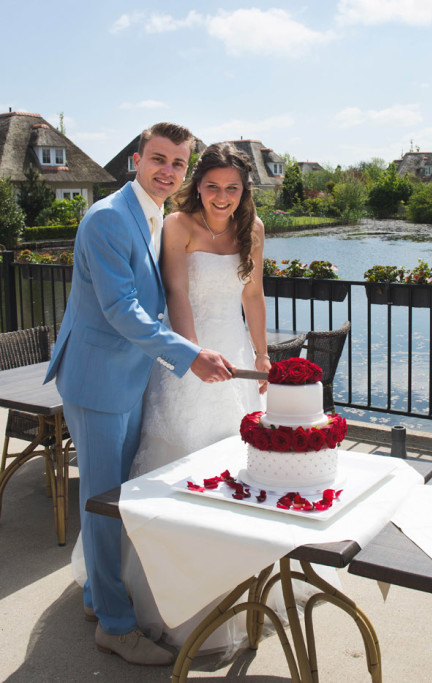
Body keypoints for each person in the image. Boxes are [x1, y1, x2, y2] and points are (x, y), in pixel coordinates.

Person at [44, 122, 234, 666]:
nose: (167, 170)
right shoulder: (107, 217)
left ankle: (94, 595)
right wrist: (189, 355)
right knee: (105, 502)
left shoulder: (154, 215)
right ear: (136, 159)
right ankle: (115, 625)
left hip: (130, 376)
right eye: (159, 159)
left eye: (178, 163)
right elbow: (120, 309)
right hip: (99, 380)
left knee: (116, 494)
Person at [119, 142, 272, 651]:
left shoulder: (253, 230)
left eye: (232, 188)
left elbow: (252, 296)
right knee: (185, 467)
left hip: (236, 357)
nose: (222, 197)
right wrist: (191, 359)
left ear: (243, 189)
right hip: (190, 353)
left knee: (241, 474)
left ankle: (242, 586)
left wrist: (263, 356)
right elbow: (177, 295)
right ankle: (175, 597)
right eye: (212, 186)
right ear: (198, 185)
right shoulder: (179, 226)